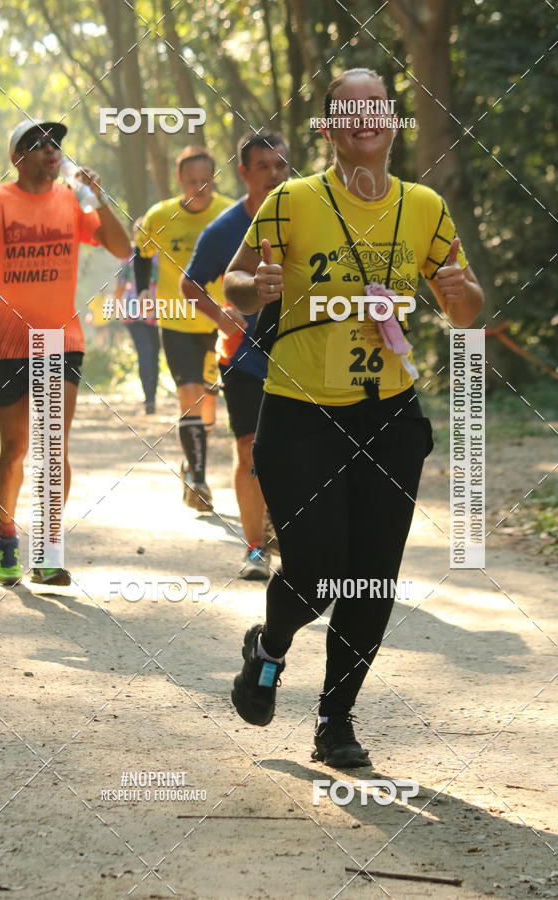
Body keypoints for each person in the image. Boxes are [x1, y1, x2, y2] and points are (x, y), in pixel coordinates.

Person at [224, 68, 484, 767]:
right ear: (329, 127)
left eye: (378, 106)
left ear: (394, 122)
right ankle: (269, 650)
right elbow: (237, 282)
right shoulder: (292, 199)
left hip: (389, 414)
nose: (364, 116)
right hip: (301, 410)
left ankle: (335, 721)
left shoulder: (425, 206)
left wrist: (462, 295)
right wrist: (258, 287)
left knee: (371, 577)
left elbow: (465, 309)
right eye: (348, 108)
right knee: (315, 571)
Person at [0, 119, 130, 587]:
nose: (51, 150)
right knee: (14, 449)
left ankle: (49, 550)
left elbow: (122, 246)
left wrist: (99, 197)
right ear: (18, 157)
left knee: (53, 447)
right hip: (5, 339)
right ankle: (7, 536)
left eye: (55, 143)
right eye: (37, 143)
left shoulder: (75, 201)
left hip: (60, 338)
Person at [180, 133, 290, 579]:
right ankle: (255, 548)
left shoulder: (307, 215)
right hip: (244, 357)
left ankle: (288, 533)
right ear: (244, 173)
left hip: (302, 356)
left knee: (293, 454)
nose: (273, 175)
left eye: (280, 165)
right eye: (262, 166)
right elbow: (191, 285)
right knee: (249, 449)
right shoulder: (225, 229)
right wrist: (222, 318)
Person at [135, 146, 234, 512]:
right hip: (175, 319)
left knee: (209, 403)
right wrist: (144, 288)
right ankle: (200, 480)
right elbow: (141, 253)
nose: (199, 188)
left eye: (205, 181)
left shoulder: (229, 213)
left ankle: (192, 464)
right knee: (189, 395)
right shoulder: (160, 215)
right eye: (191, 181)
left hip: (219, 321)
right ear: (179, 180)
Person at [117, 223, 159, 414]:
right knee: (152, 353)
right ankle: (150, 399)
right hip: (153, 311)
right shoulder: (159, 254)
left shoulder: (128, 256)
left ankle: (149, 399)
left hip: (136, 311)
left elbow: (120, 286)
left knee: (146, 353)